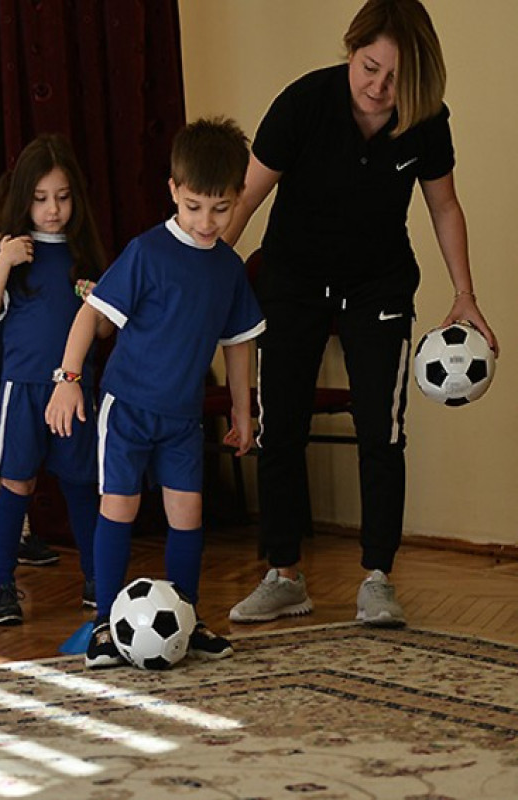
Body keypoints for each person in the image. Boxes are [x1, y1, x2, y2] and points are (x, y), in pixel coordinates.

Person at [224, 0, 498, 629]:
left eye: (394, 77)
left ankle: (378, 578)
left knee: (383, 429)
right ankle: (283, 575)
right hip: (292, 279)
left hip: (378, 285)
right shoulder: (303, 103)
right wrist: (204, 272)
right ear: (351, 51)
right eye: (369, 67)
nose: (378, 87)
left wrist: (465, 293)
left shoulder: (426, 121)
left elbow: (445, 206)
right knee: (281, 425)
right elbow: (245, 196)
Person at [47, 117, 264, 668]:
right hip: (128, 408)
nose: (206, 221)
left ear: (239, 197)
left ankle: (186, 618)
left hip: (181, 417)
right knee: (119, 506)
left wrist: (243, 407)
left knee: (187, 513)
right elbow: (89, 315)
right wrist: (69, 381)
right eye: (193, 206)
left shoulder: (229, 270)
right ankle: (103, 626)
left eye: (220, 208)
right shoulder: (146, 252)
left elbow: (239, 343)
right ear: (173, 190)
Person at [0, 134, 107, 625]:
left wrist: (97, 301)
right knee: (16, 487)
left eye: (63, 197)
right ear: (24, 197)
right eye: (41, 198)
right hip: (22, 390)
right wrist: (4, 261)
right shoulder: (14, 255)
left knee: (80, 487)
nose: (53, 209)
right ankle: (3, 587)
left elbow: (110, 327)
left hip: (74, 389)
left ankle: (98, 580)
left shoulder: (83, 254)